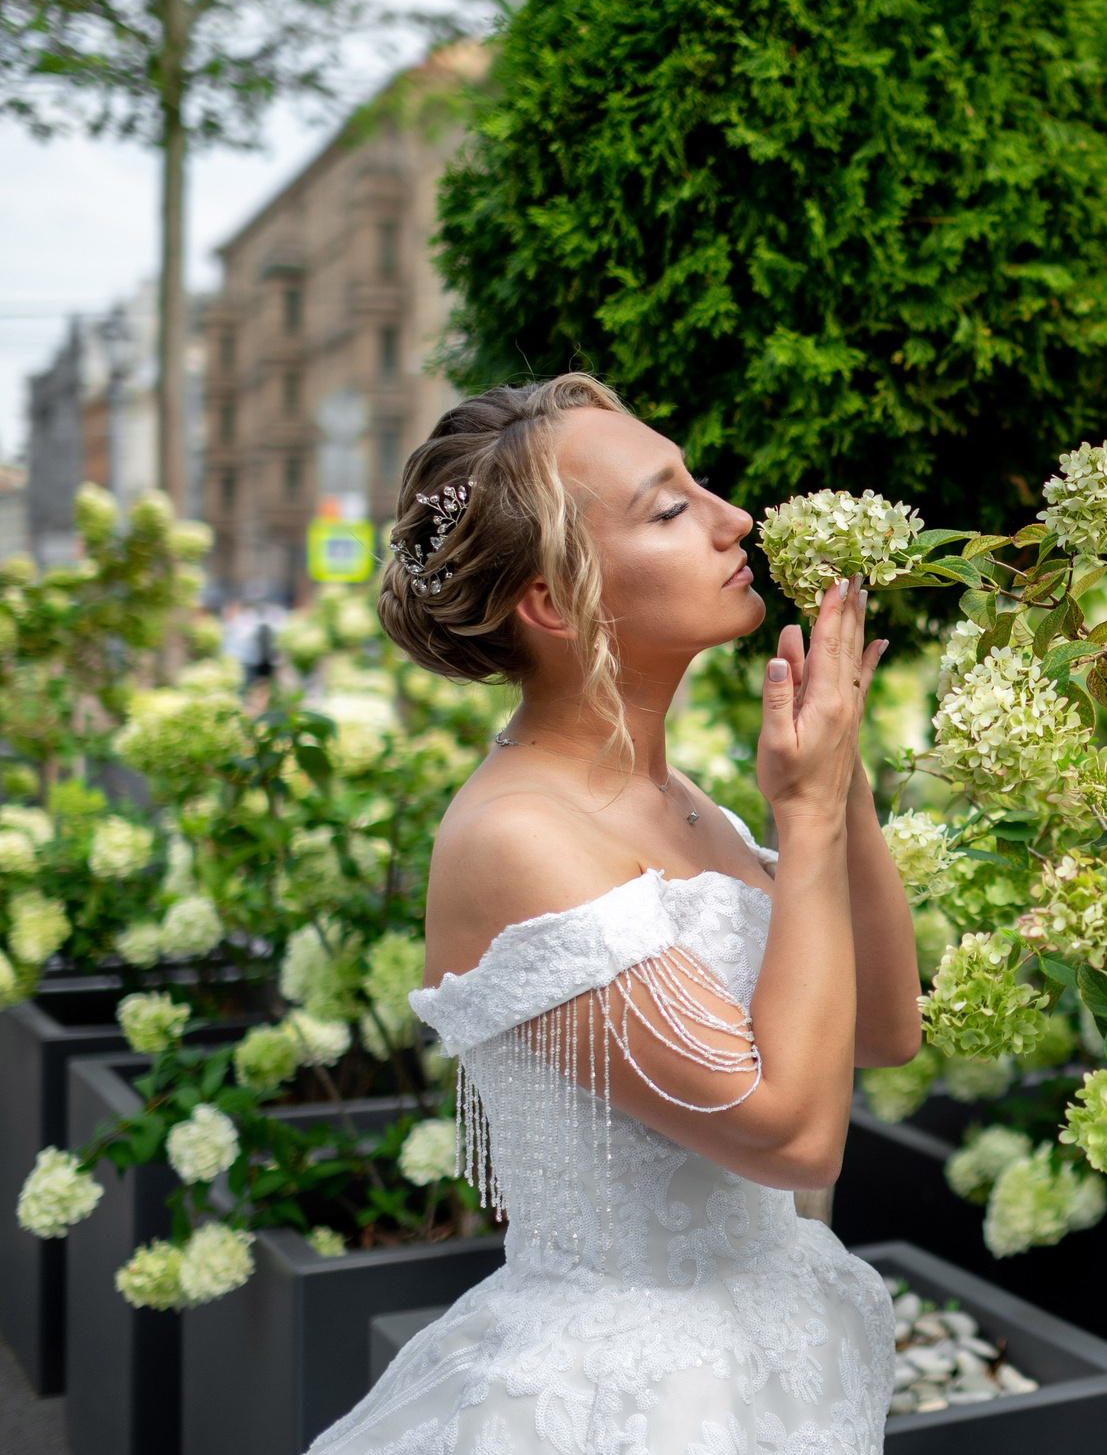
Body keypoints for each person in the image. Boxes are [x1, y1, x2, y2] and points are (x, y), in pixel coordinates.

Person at [310, 373, 920, 1455]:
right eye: (671, 505)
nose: (736, 517)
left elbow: (880, 1028)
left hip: (775, 1342)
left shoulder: (688, 806)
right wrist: (810, 818)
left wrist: (844, 779)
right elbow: (793, 1135)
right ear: (554, 600)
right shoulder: (516, 837)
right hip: (628, 1400)